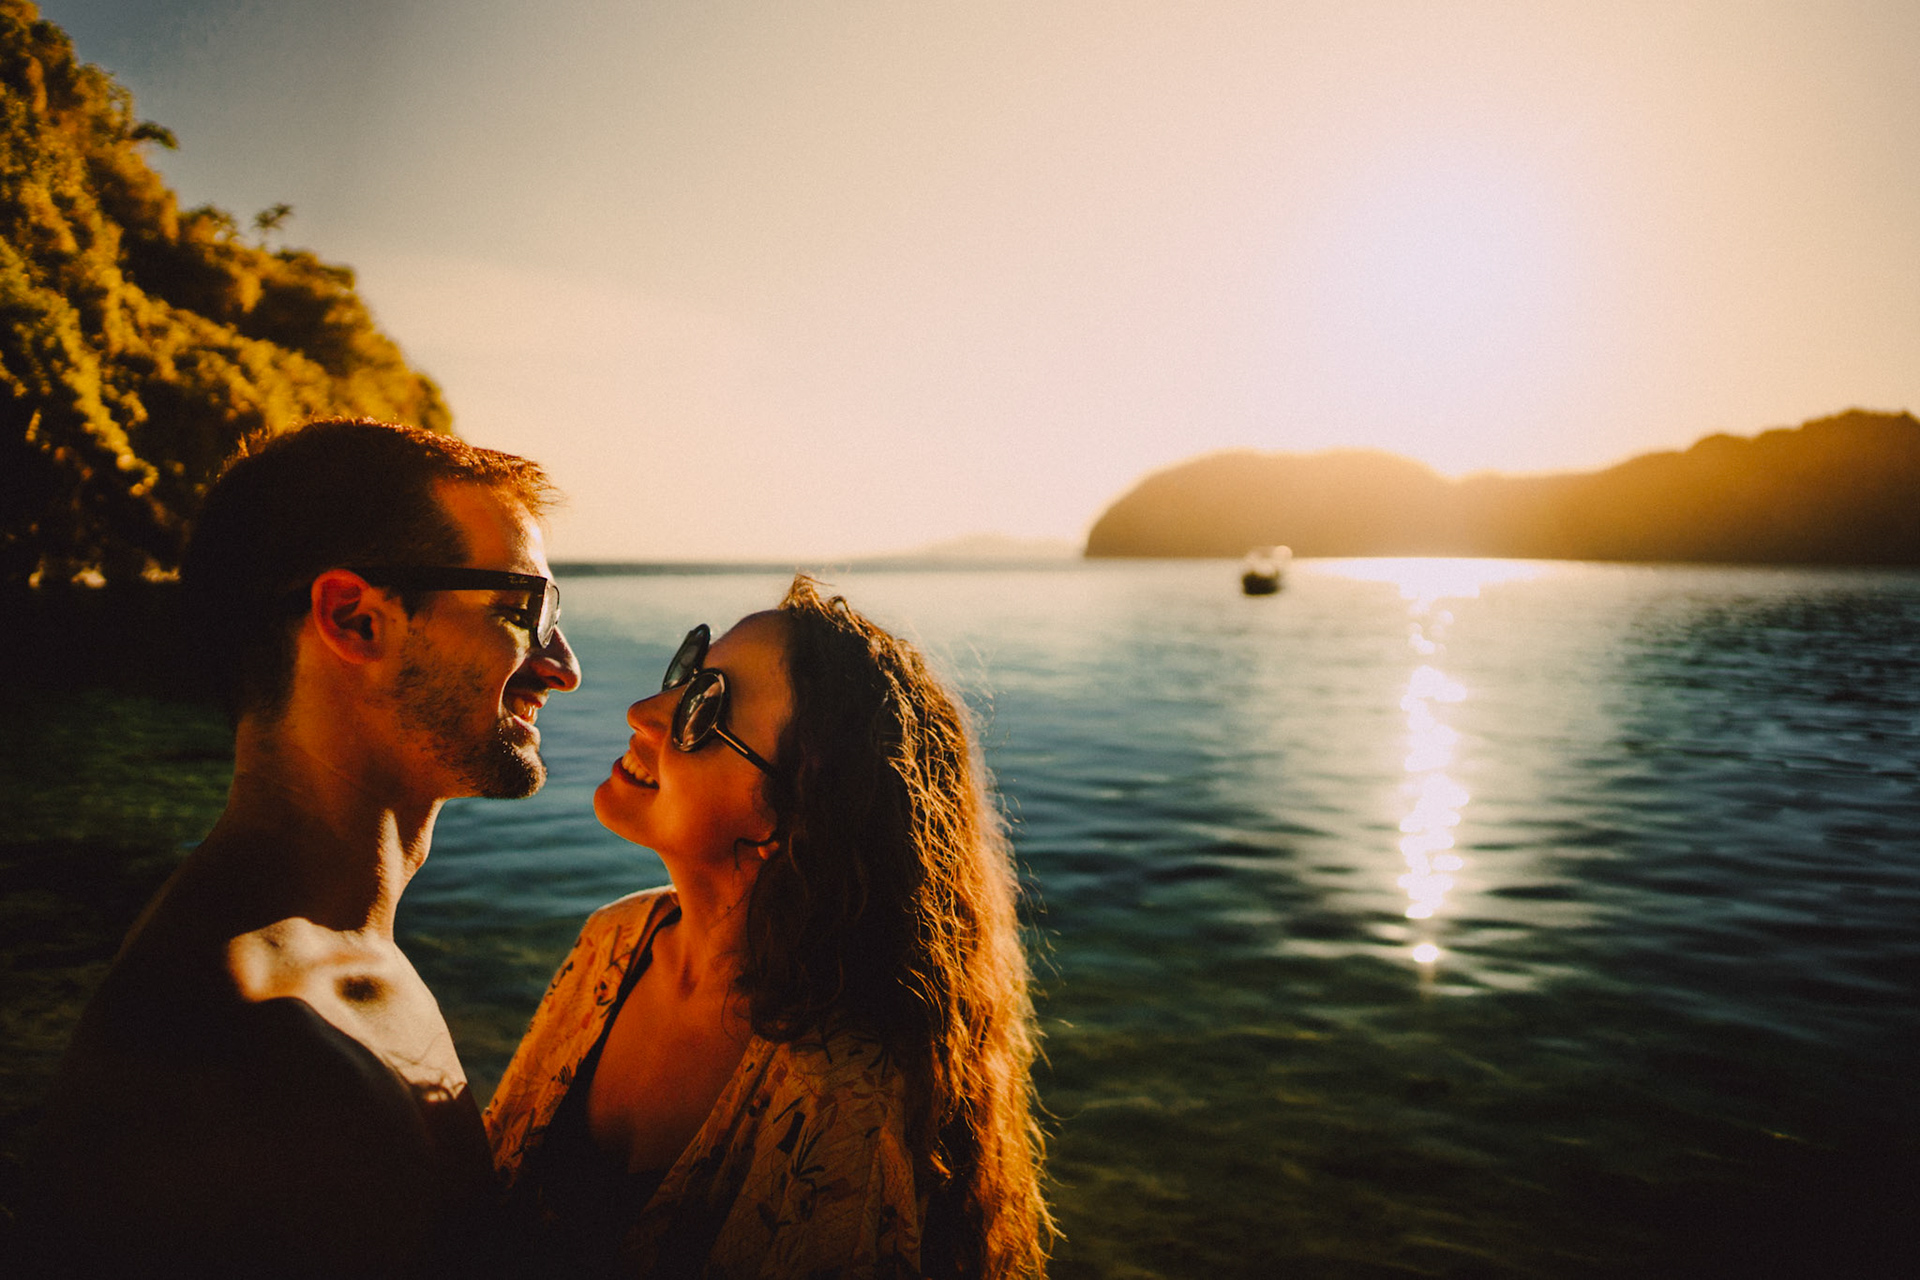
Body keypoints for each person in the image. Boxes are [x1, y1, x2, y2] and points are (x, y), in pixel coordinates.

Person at [24, 419, 583, 1277]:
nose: (562, 666)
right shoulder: (251, 1066)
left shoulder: (341, 955)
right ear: (355, 620)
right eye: (523, 612)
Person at [485, 577, 1051, 1278]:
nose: (642, 710)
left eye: (703, 708)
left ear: (794, 822)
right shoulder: (616, 938)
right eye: (687, 673)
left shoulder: (845, 1087)